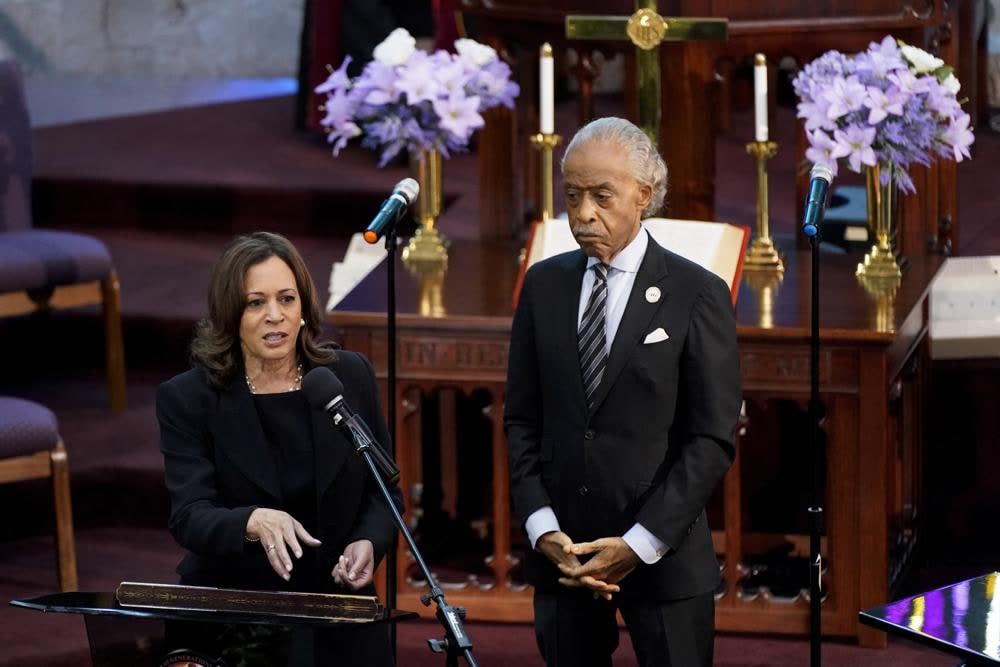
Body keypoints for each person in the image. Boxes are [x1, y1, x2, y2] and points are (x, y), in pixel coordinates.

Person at [505, 117, 742, 667]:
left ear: (645, 194)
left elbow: (710, 439)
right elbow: (521, 420)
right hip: (564, 556)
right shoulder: (543, 286)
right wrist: (543, 528)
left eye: (601, 196)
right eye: (573, 196)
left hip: (663, 556)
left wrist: (638, 544)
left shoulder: (696, 293)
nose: (583, 214)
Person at [157, 231, 400, 666]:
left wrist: (368, 542)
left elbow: (385, 492)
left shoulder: (346, 377)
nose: (275, 316)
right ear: (230, 314)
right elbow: (189, 516)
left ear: (304, 307)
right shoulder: (189, 398)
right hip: (238, 613)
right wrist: (250, 520)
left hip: (338, 606)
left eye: (287, 299)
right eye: (256, 303)